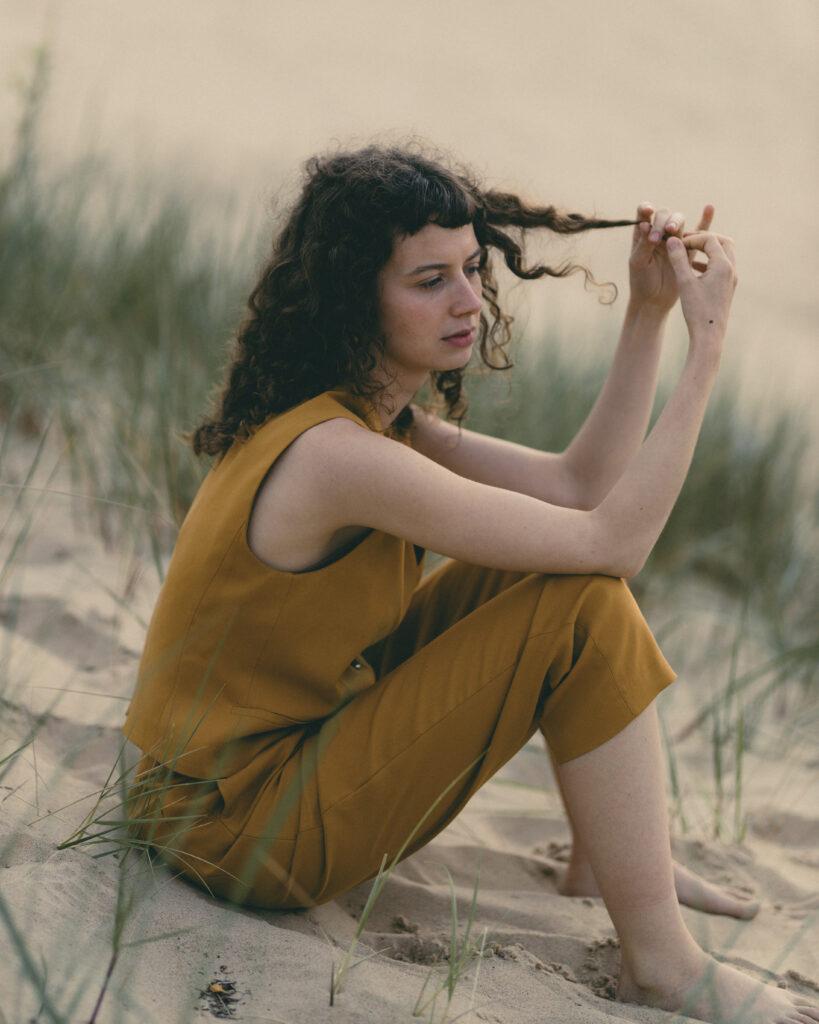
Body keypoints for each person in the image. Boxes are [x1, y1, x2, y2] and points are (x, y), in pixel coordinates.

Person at [121, 143, 818, 1024]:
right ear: (353, 298)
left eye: (472, 269)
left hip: (213, 794)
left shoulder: (371, 423)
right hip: (239, 833)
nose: (467, 301)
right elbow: (616, 542)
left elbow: (577, 490)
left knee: (547, 571)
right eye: (429, 280)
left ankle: (604, 858)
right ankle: (662, 962)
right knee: (583, 599)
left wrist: (644, 318)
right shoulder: (339, 457)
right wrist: (705, 347)